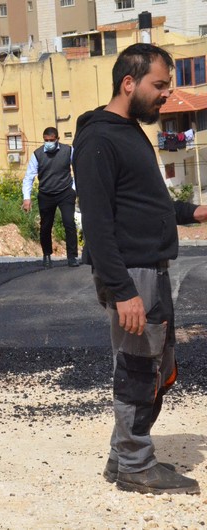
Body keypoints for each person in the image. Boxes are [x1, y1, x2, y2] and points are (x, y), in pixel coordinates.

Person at [73, 43, 207, 495]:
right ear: (128, 82)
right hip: (133, 274)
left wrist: (195, 213)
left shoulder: (130, 131)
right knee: (137, 367)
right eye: (159, 84)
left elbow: (148, 205)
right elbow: (97, 222)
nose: (166, 94)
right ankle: (135, 464)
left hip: (153, 269)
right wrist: (122, 289)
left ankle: (121, 457)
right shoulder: (98, 138)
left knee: (155, 364)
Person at [22, 127, 79, 268]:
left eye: (51, 140)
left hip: (65, 192)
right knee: (46, 226)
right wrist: (26, 198)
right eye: (46, 140)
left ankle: (72, 257)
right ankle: (46, 256)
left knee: (69, 223)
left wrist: (74, 189)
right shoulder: (38, 154)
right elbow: (29, 177)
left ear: (57, 139)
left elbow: (79, 168)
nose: (48, 143)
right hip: (46, 194)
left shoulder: (68, 151)